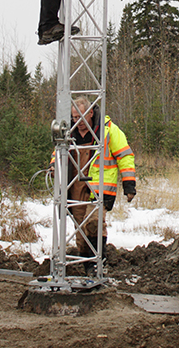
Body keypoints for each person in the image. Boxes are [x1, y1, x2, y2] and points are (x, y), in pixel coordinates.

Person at [50, 97, 136, 273]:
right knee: (81, 232)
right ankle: (88, 266)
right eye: (74, 118)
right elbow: (57, 153)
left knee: (94, 222)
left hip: (99, 189)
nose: (78, 122)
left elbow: (125, 155)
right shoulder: (69, 131)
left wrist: (129, 184)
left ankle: (99, 262)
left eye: (81, 118)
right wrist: (53, 166)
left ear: (90, 113)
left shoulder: (108, 130)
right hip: (75, 189)